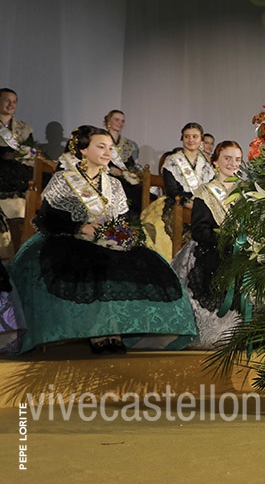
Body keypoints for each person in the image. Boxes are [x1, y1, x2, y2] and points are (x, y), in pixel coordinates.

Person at [7, 125, 196, 354]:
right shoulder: (63, 180)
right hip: (68, 239)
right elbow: (48, 219)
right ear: (83, 150)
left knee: (146, 263)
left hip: (106, 240)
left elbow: (123, 219)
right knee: (90, 266)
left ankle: (116, 330)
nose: (108, 152)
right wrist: (80, 227)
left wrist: (120, 234)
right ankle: (97, 332)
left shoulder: (114, 184)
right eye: (101, 147)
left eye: (110, 148)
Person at [171, 141, 246, 348]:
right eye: (227, 158)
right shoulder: (205, 192)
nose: (233, 163)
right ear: (215, 161)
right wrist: (226, 241)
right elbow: (199, 231)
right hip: (211, 248)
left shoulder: (246, 191)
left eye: (237, 159)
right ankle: (218, 333)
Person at [141, 122, 215, 260]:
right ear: (182, 138)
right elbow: (171, 190)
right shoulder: (172, 161)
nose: (191, 140)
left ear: (201, 139)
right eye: (187, 136)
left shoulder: (206, 163)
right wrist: (187, 203)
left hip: (200, 205)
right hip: (178, 203)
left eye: (194, 136)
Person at [0, 88, 36, 252]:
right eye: (7, 101)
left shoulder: (24, 128)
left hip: (19, 176)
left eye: (14, 102)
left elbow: (30, 150)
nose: (11, 105)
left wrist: (23, 154)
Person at [103, 110, 143, 215]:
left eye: (122, 121)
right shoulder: (102, 139)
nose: (120, 123)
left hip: (123, 176)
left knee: (139, 189)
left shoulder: (127, 143)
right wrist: (111, 169)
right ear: (109, 121)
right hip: (106, 175)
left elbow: (130, 163)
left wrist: (132, 174)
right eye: (117, 120)